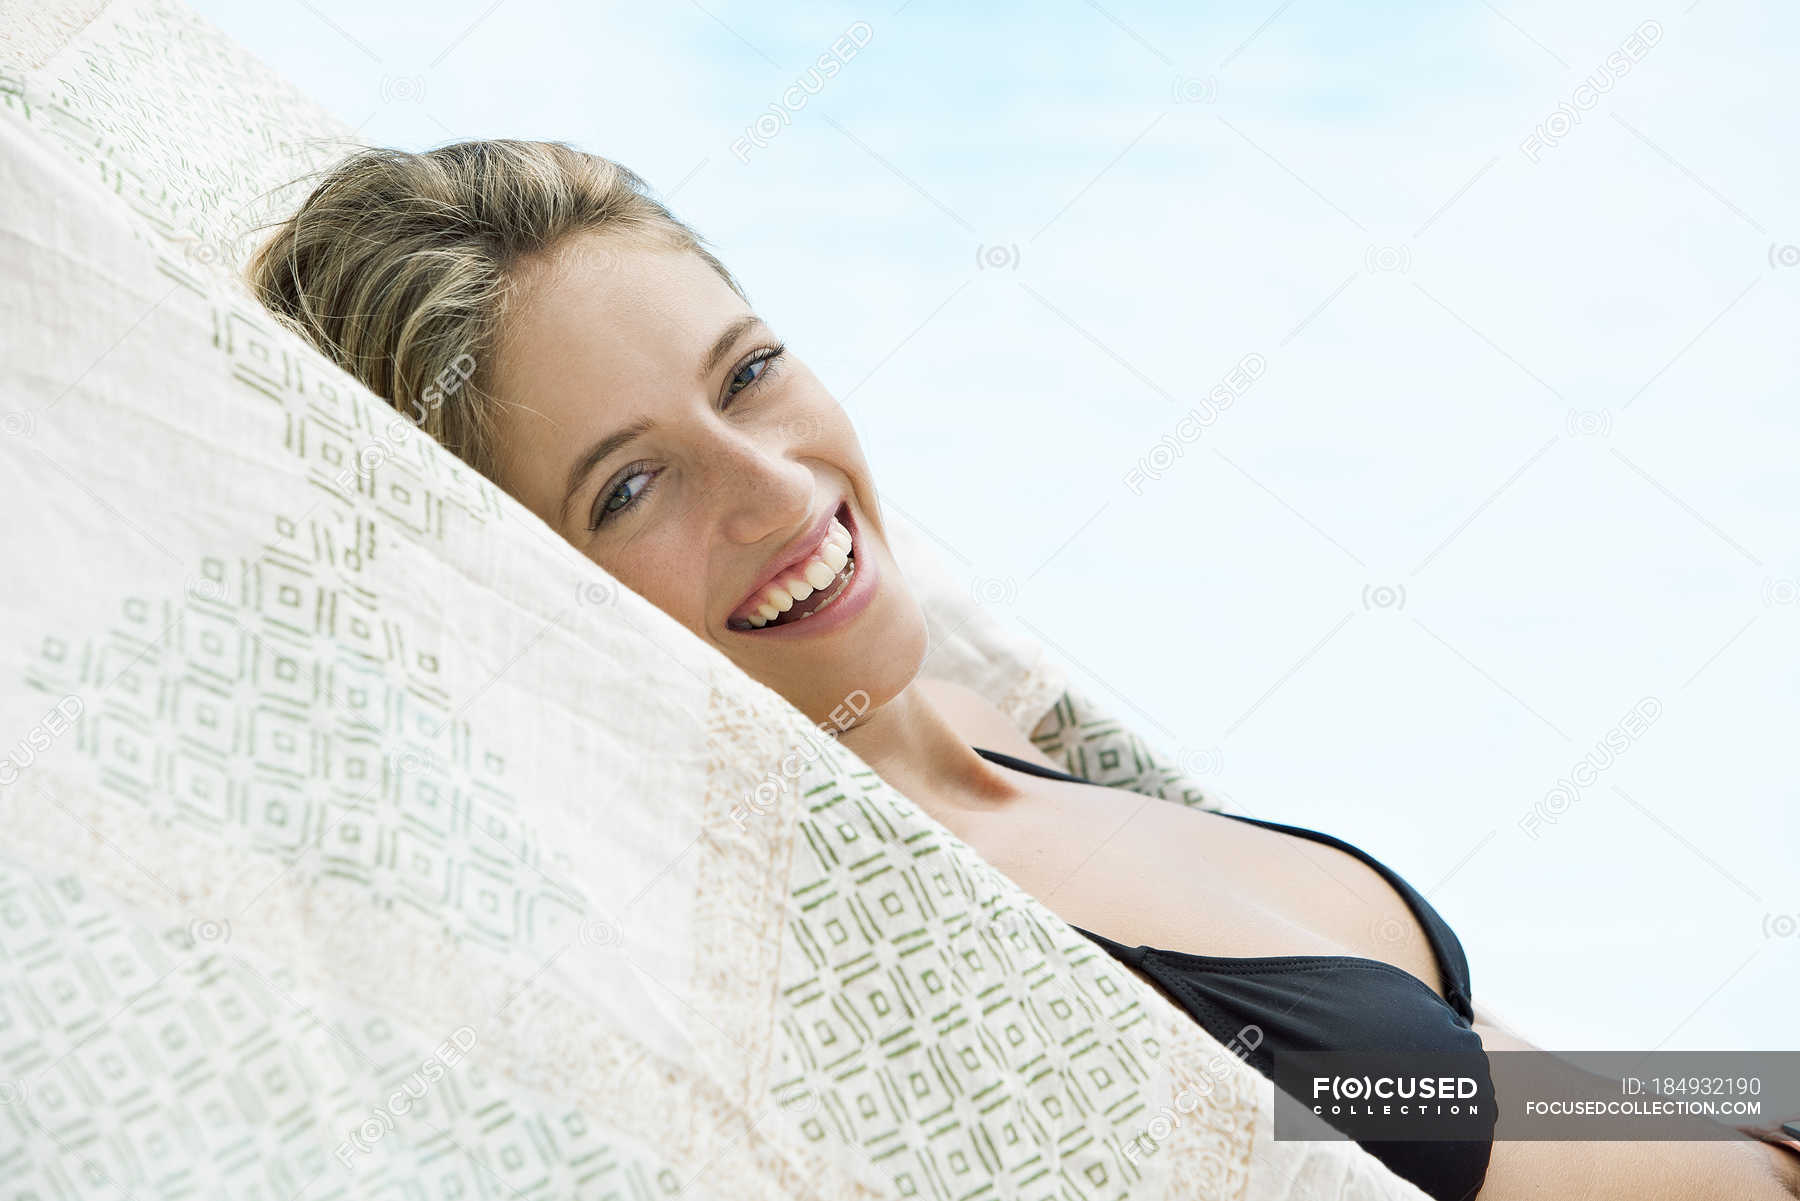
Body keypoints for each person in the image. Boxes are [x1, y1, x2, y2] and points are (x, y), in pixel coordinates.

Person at [243, 138, 1799, 1201]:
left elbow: (1491, 1082)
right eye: (627, 488)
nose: (778, 490)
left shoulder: (988, 736)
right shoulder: (889, 965)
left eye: (751, 373)